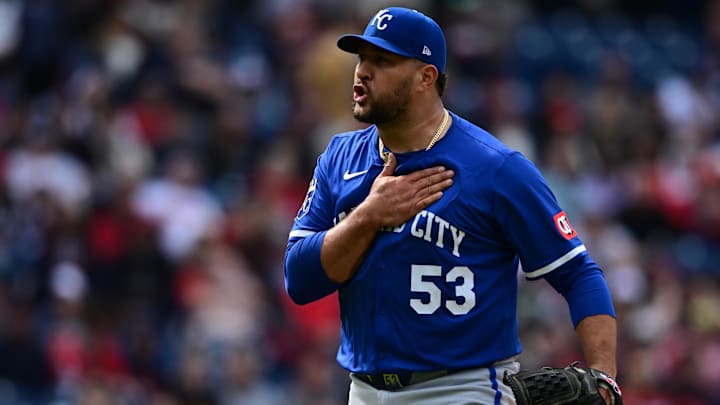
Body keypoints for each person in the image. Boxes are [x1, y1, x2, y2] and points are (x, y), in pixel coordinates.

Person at [284, 6, 618, 405]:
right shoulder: (339, 158)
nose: (362, 71)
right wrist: (369, 216)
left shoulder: (496, 168)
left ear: (426, 76)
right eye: (362, 58)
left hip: (461, 388)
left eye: (383, 60)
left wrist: (604, 377)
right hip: (363, 390)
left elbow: (578, 272)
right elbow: (299, 280)